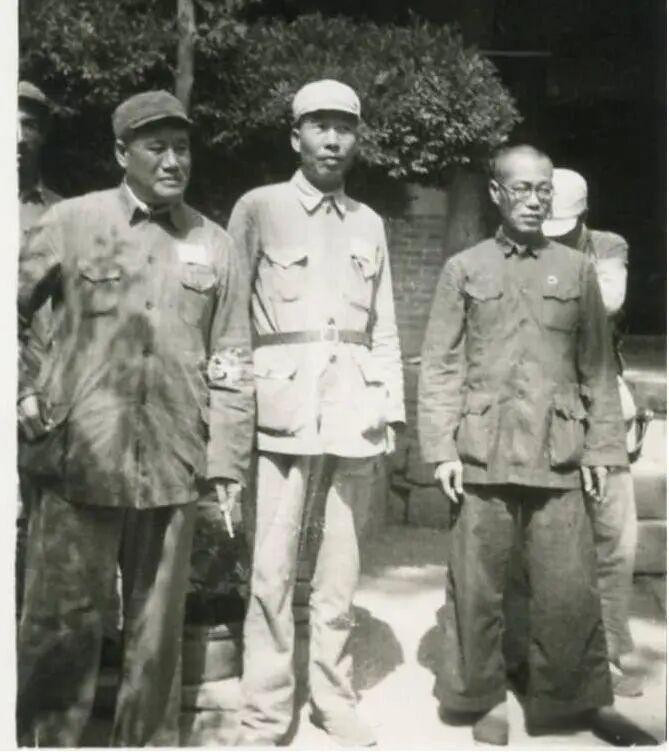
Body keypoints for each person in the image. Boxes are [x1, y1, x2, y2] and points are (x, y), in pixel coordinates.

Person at [16, 90, 254, 746]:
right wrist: (21, 391)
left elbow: (233, 359)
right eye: (157, 148)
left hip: (172, 462)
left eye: (182, 148)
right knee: (61, 627)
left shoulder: (214, 243)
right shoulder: (72, 221)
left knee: (156, 637)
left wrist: (227, 461)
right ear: (122, 153)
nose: (174, 161)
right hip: (79, 456)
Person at [418, 145, 627, 746]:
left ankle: (573, 698)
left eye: (543, 190)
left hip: (558, 450)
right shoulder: (465, 268)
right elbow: (441, 363)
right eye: (521, 189)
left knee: (568, 582)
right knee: (477, 583)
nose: (534, 200)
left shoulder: (577, 269)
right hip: (481, 450)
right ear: (496, 193)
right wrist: (441, 449)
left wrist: (601, 450)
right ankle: (480, 697)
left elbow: (596, 367)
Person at [228, 79, 404, 746]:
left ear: (357, 138)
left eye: (345, 128)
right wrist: (232, 409)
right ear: (294, 136)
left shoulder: (369, 222)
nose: (333, 139)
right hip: (279, 412)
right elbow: (230, 319)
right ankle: (266, 712)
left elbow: (384, 324)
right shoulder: (259, 208)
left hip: (352, 415)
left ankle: (334, 698)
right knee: (271, 570)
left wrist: (390, 408)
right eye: (319, 126)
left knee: (339, 571)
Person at [543, 168, 641, 696]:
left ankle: (609, 651)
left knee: (614, 536)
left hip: (601, 397)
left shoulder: (606, 246)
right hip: (539, 400)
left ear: (582, 214)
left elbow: (608, 302)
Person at [16, 81, 62, 615]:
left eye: (29, 124)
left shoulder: (63, 216)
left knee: (36, 536)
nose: (18, 136)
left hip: (37, 405)